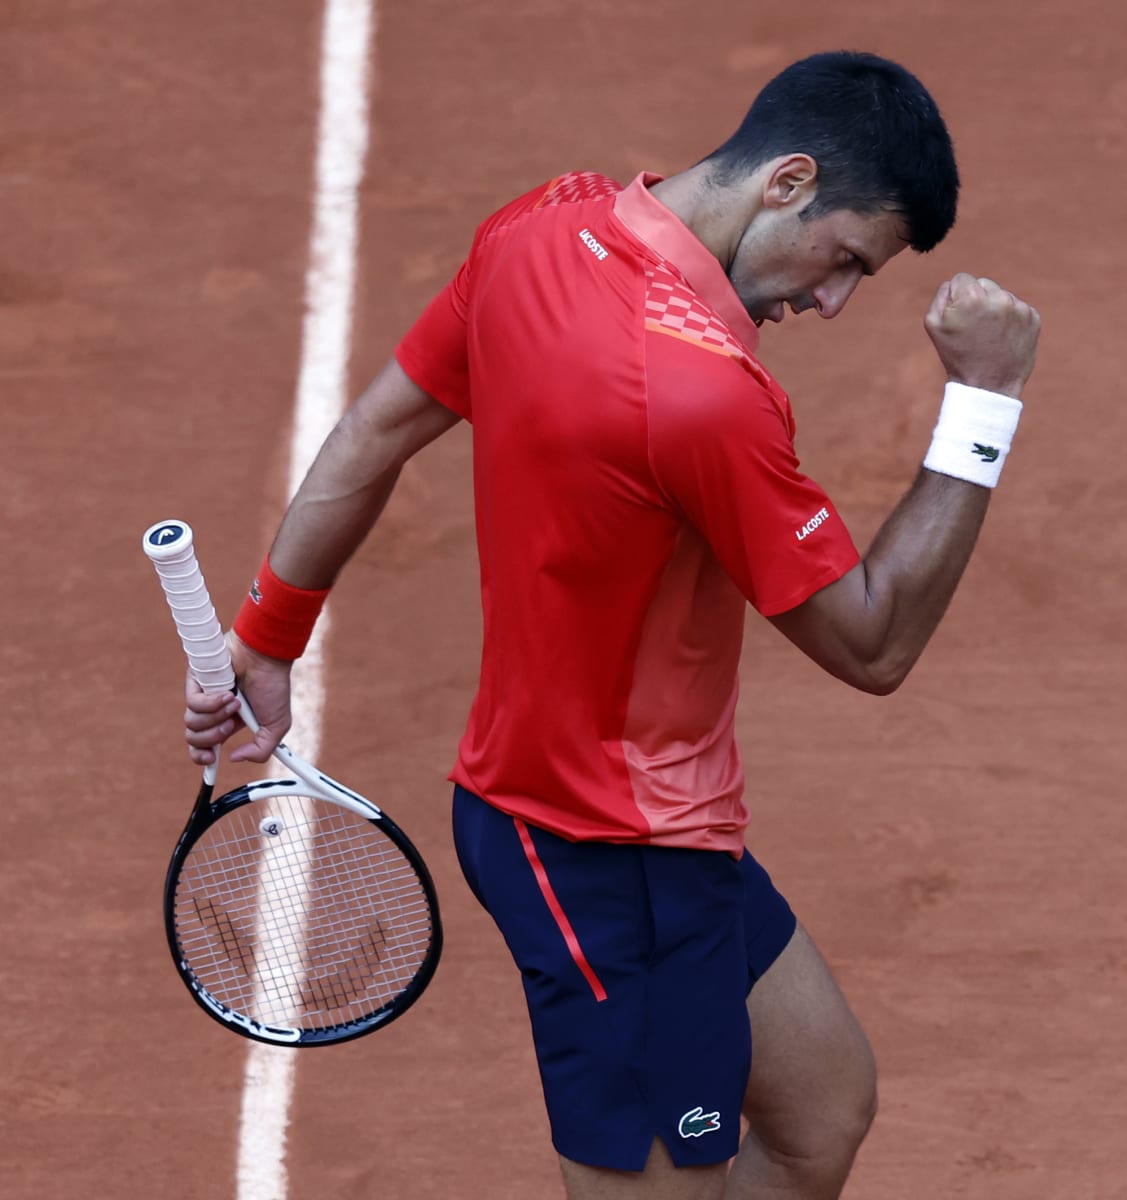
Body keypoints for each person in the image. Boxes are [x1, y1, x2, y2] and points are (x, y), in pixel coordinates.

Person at [181, 50, 1039, 1200]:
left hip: (628, 817)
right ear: (787, 181)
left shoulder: (539, 228)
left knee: (821, 1106)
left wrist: (269, 637)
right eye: (844, 261)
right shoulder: (703, 392)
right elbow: (873, 644)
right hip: (606, 853)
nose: (830, 303)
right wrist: (984, 404)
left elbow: (377, 432)